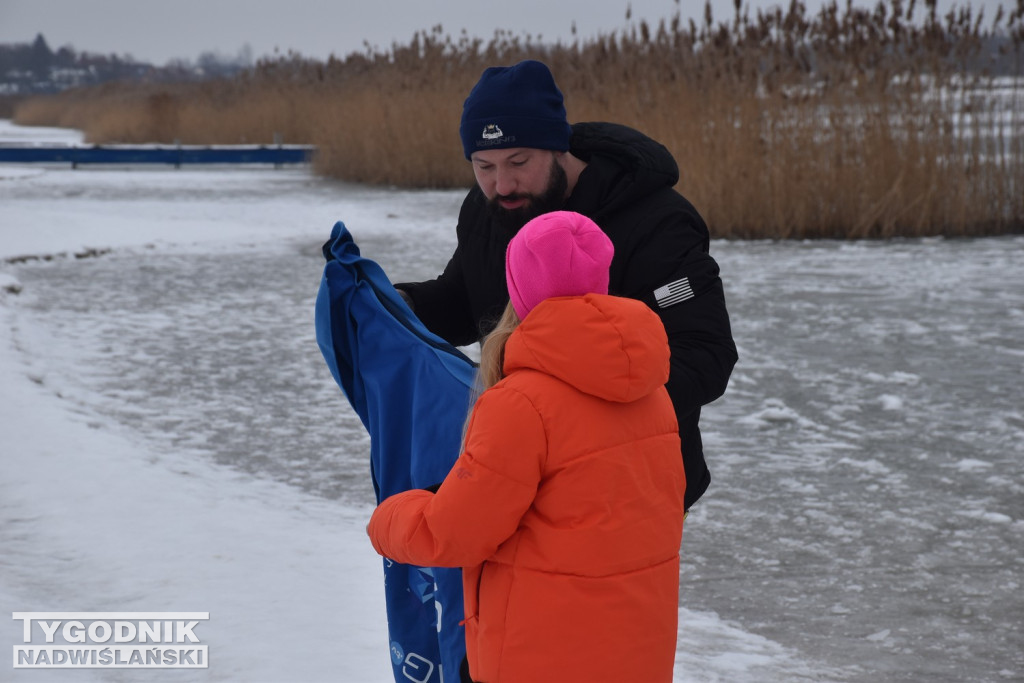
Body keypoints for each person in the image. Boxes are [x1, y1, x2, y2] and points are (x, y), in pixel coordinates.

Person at [396, 59, 737, 511]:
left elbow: (706, 354)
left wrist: (573, 417)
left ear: (558, 148)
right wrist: (399, 304)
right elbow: (468, 301)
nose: (502, 183)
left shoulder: (656, 221)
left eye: (519, 162)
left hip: (630, 486)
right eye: (484, 166)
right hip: (516, 472)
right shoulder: (488, 209)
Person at [369, 211, 686, 683]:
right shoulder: (651, 393)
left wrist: (389, 518)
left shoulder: (520, 404)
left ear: (519, 293)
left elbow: (457, 532)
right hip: (637, 651)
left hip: (538, 654)